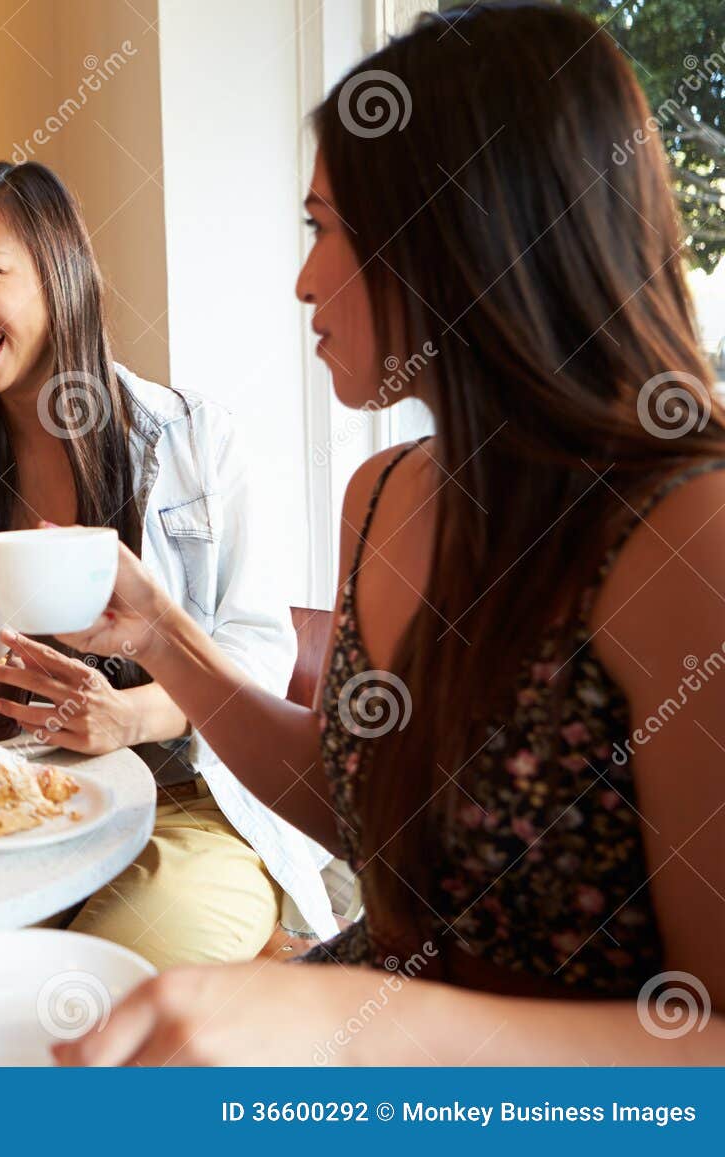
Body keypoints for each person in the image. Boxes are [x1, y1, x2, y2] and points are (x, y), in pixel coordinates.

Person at [52, 3, 725, 1065]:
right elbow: (366, 816)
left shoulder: (691, 528)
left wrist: (361, 1026)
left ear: (463, 234)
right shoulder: (381, 492)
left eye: (324, 226)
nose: (302, 279)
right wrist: (160, 637)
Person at [0, 161, 340, 967]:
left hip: (190, 808)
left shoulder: (192, 439)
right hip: (18, 795)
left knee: (80, 992)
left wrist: (136, 715)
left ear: (61, 276)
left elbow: (261, 650)